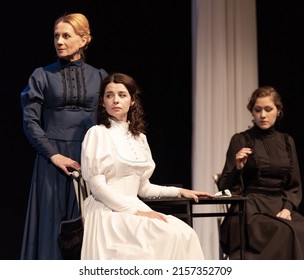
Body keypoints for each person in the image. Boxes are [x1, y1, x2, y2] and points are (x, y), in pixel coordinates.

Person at [80, 73, 215, 259]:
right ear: (103, 102)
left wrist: (178, 192)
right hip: (108, 210)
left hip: (135, 207)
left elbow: (143, 188)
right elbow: (98, 188)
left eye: (122, 95)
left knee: (185, 233)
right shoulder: (97, 134)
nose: (115, 100)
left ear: (132, 101)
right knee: (167, 236)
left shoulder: (139, 138)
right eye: (109, 95)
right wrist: (136, 212)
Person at [20, 13, 108, 259]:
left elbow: (108, 120)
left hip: (89, 158)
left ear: (84, 39)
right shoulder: (42, 76)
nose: (59, 41)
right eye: (56, 36)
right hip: (53, 161)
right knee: (51, 226)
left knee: (89, 227)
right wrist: (53, 155)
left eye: (66, 36)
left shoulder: (100, 76)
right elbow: (30, 121)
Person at [217, 86, 304, 260]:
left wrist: (287, 209)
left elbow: (294, 185)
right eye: (258, 110)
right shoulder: (241, 139)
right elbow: (224, 187)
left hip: (279, 207)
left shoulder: (287, 141)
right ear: (252, 112)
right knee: (285, 233)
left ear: (278, 111)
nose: (263, 115)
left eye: (268, 109)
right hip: (249, 211)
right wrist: (238, 167)